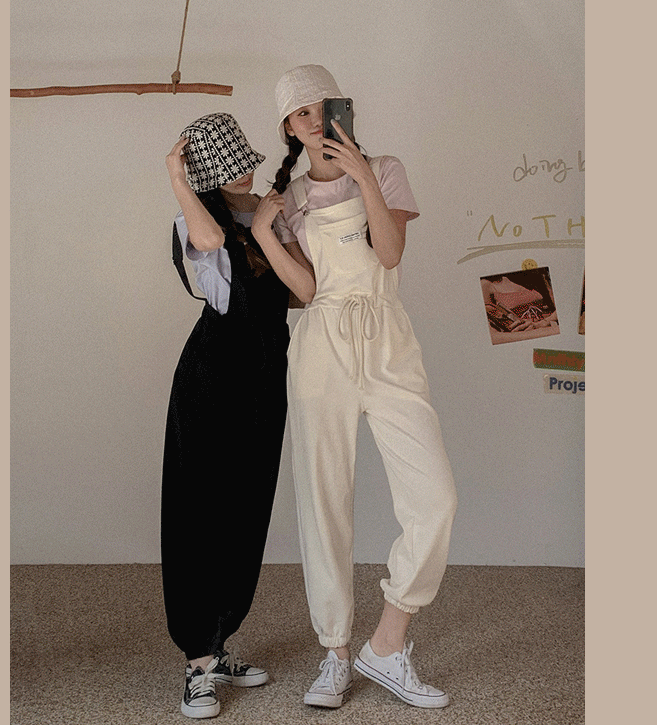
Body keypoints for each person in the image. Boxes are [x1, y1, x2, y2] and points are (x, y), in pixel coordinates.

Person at [250, 65, 458, 710]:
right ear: (288, 128)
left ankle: (387, 643)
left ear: (343, 109)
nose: (315, 120)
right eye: (301, 113)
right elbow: (307, 291)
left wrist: (363, 175)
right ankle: (335, 652)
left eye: (324, 106)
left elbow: (389, 253)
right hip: (322, 344)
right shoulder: (289, 200)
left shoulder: (386, 169)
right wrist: (263, 233)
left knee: (435, 498)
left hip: (387, 337)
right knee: (324, 500)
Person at [161, 113, 290, 719]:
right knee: (200, 513)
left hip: (265, 377)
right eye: (228, 165)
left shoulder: (266, 214)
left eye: (244, 160)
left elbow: (300, 290)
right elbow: (211, 242)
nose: (242, 172)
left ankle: (218, 644)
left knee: (247, 509)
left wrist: (268, 226)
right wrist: (176, 175)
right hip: (211, 380)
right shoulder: (195, 219)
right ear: (207, 173)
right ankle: (196, 662)